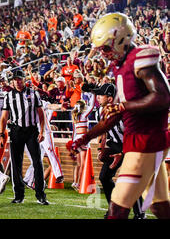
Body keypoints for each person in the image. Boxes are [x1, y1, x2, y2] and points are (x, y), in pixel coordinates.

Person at [71, 12, 169, 219]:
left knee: (116, 210)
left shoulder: (141, 58)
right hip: (141, 140)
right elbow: (114, 114)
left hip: (145, 140)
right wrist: (86, 137)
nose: (104, 54)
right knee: (161, 208)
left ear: (123, 39)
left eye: (106, 47)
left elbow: (163, 97)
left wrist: (124, 106)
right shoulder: (120, 67)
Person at [92, 83, 145, 219]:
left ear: (110, 98)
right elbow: (103, 132)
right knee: (104, 177)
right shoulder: (100, 111)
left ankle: (140, 214)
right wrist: (100, 148)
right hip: (115, 145)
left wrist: (123, 153)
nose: (97, 97)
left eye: (100, 95)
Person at [0, 69, 49, 205]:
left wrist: (42, 131)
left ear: (24, 79)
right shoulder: (8, 96)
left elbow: (41, 114)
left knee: (37, 162)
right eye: (15, 79)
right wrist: (1, 134)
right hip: (16, 131)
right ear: (12, 81)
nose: (17, 82)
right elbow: (4, 117)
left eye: (19, 79)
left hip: (31, 131)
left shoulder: (34, 94)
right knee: (16, 164)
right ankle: (19, 195)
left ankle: (40, 195)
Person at [22, 97, 64, 189]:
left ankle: (59, 175)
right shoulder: (24, 106)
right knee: (36, 159)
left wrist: (60, 106)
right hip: (34, 134)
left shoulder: (40, 102)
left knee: (50, 152)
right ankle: (29, 180)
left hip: (45, 132)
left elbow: (50, 106)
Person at [70, 93, 95, 192]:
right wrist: (93, 93)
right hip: (83, 139)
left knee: (78, 164)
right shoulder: (84, 115)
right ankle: (80, 183)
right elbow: (92, 105)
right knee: (84, 164)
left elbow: (74, 132)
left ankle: (75, 182)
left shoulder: (75, 117)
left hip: (76, 139)